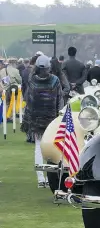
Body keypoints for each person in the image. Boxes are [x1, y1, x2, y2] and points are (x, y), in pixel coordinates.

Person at [21, 55, 64, 188]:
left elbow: (29, 101)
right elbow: (59, 100)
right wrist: (59, 117)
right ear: (48, 67)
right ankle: (54, 178)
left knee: (38, 148)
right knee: (54, 148)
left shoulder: (32, 80)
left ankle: (41, 179)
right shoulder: (55, 80)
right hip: (52, 120)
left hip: (36, 121)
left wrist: (27, 119)